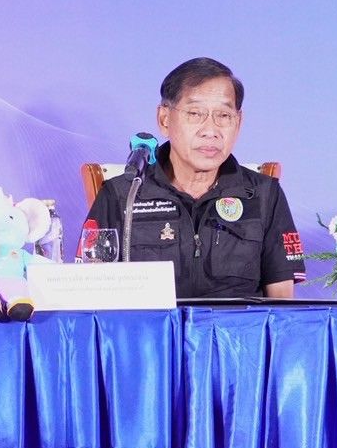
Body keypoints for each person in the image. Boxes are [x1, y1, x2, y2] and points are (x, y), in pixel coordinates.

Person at [84, 57, 305, 298]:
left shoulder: (264, 195)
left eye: (224, 116)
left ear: (238, 123)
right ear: (164, 119)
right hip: (153, 324)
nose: (210, 131)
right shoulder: (122, 195)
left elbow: (281, 302)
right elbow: (92, 294)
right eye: (195, 113)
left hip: (237, 324)